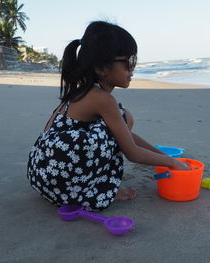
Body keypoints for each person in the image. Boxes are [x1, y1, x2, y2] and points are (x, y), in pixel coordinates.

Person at [27, 21, 189, 211]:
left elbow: (126, 138)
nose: (132, 69)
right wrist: (172, 162)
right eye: (128, 63)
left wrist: (165, 158)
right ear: (101, 68)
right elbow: (132, 152)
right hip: (64, 188)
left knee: (120, 122)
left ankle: (88, 184)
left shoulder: (82, 91)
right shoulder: (103, 99)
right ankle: (95, 189)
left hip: (40, 174)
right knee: (125, 116)